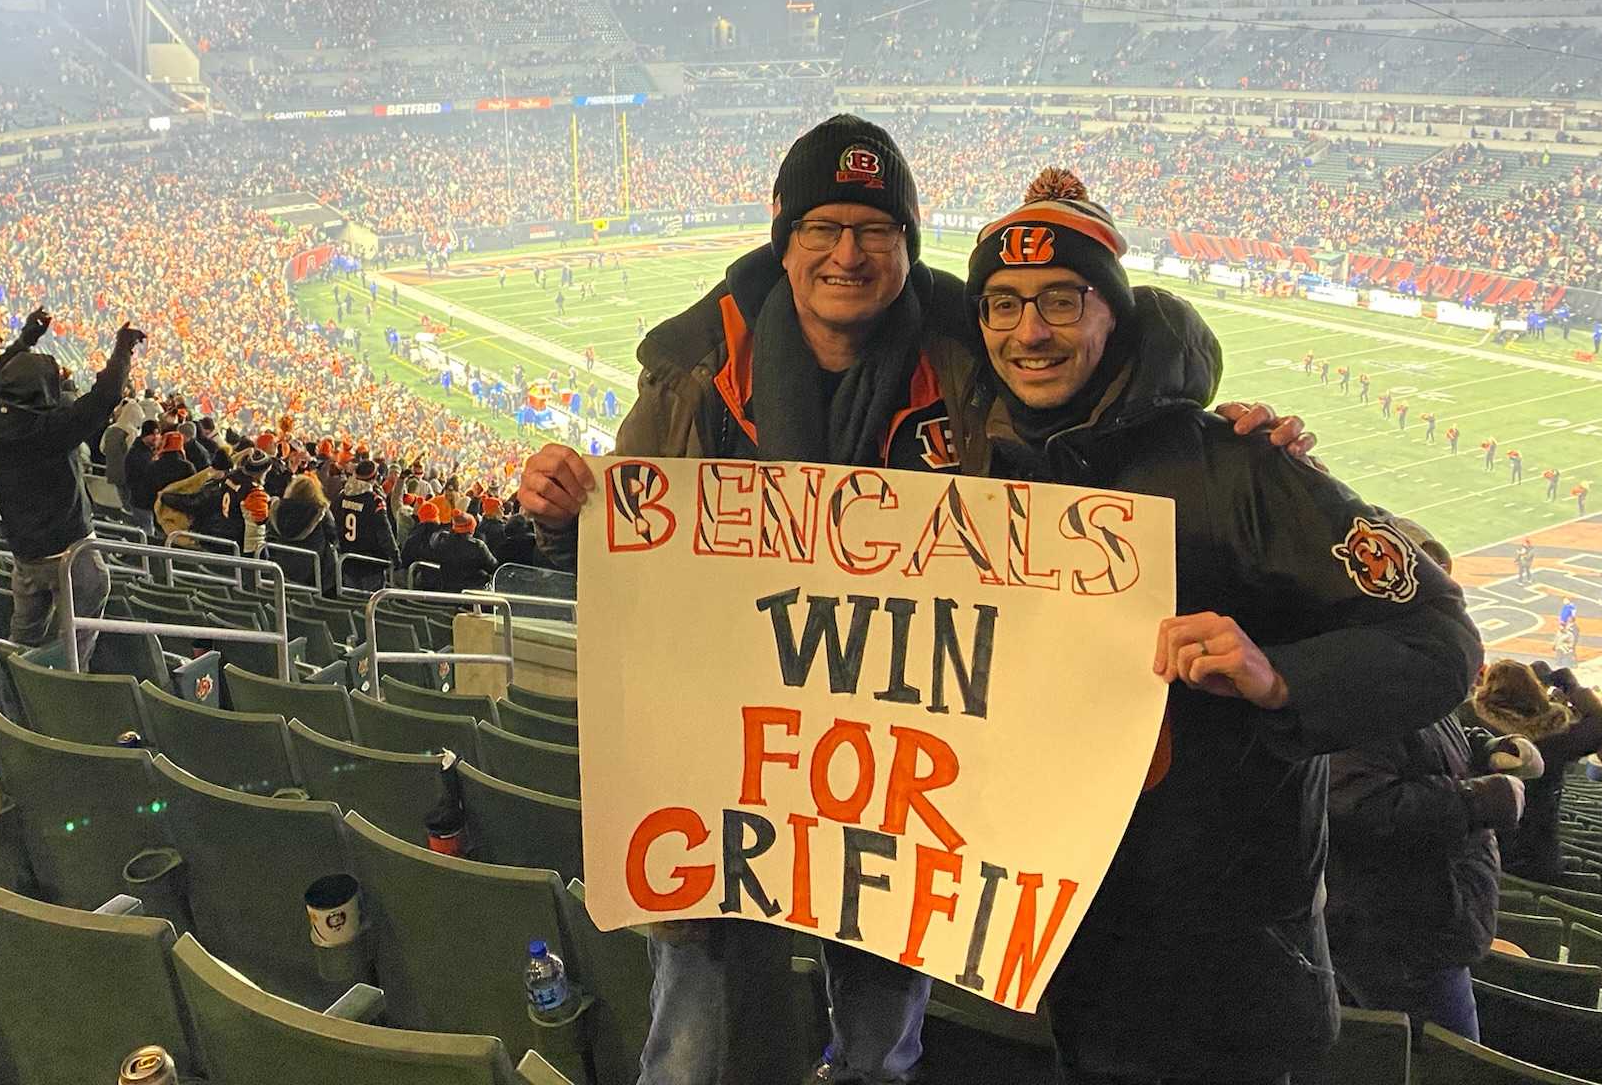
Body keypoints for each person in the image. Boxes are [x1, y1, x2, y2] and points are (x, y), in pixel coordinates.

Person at [519, 131, 1318, 1085]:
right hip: (725, 765)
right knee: (693, 1036)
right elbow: (635, 567)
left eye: (874, 230)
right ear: (784, 234)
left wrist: (1217, 429)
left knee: (879, 1031)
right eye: (824, 227)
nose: (847, 255)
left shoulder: (969, 358)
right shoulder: (697, 374)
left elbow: (1100, 407)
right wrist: (567, 521)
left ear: (908, 241)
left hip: (892, 790)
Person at [954, 168, 1481, 1084]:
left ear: (1113, 313)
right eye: (1002, 304)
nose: (1027, 331)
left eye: (1058, 301)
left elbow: (1440, 641)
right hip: (1061, 944)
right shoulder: (978, 473)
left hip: (1222, 969)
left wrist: (1280, 677)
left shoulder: (1243, 469)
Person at [1327, 717, 1542, 1039]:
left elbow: (1427, 744)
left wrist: (1488, 748)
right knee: (1443, 1063)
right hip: (1402, 937)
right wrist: (1475, 800)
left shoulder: (1407, 685)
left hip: (1423, 925)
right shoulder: (1353, 694)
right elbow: (1359, 804)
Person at [0, 306, 145, 665]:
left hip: (25, 553)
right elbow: (107, 395)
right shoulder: (52, 431)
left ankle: (16, 687)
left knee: (23, 640)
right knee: (76, 639)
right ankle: (67, 683)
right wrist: (123, 348)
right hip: (72, 552)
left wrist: (25, 339)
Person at [1469, 660, 1602, 882]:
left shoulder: (1470, 723)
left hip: (1483, 850)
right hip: (1536, 852)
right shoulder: (1555, 738)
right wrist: (1572, 687)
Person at [418, 511, 498, 593]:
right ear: (472, 528)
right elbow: (492, 567)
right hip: (473, 592)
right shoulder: (478, 546)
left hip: (447, 589)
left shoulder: (442, 541)